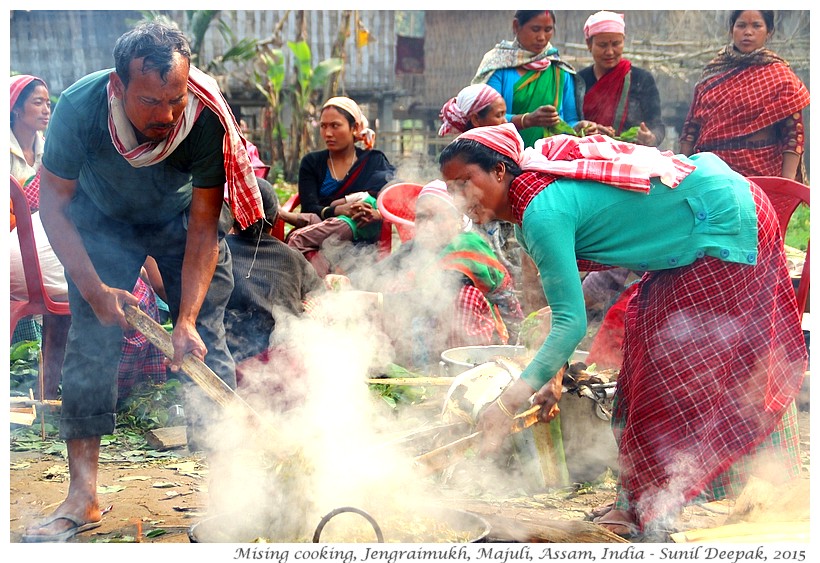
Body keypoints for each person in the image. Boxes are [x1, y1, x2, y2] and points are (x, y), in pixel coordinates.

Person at [439, 123, 806, 538]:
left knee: (672, 373)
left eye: (466, 181)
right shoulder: (530, 210)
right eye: (450, 188)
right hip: (709, 213)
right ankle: (636, 502)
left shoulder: (542, 210)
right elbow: (561, 307)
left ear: (500, 172)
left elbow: (571, 323)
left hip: (723, 218)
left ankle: (659, 508)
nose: (460, 198)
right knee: (643, 352)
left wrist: (505, 406)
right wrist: (551, 376)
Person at [22, 18, 263, 542]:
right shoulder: (80, 109)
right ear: (118, 86)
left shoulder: (202, 116)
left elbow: (203, 229)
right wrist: (93, 289)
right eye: (151, 102)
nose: (168, 114)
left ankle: (228, 497)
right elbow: (55, 210)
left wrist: (187, 320)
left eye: (175, 98)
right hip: (100, 217)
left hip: (178, 224)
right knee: (91, 348)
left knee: (205, 349)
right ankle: (82, 498)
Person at [364, 180, 523, 369]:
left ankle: (461, 370)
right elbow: (375, 274)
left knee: (462, 299)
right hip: (435, 333)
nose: (428, 225)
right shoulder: (417, 246)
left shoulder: (467, 246)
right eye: (422, 218)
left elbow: (435, 297)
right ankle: (408, 363)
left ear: (457, 220)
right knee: (393, 284)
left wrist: (377, 300)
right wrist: (346, 282)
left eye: (438, 217)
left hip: (498, 343)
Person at [680, 10, 810, 180]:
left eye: (756, 26)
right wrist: (682, 174)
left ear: (768, 32)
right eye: (741, 25)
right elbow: (692, 127)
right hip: (712, 173)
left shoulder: (780, 76)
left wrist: (786, 184)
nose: (748, 32)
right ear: (731, 30)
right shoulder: (712, 74)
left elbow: (793, 134)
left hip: (762, 173)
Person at [279, 96, 396, 277]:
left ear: (355, 127)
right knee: (304, 250)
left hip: (360, 240)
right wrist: (339, 210)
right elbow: (310, 207)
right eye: (323, 126)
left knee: (354, 264)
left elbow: (391, 199)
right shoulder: (312, 162)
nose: (328, 133)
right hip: (319, 234)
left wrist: (378, 214)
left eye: (335, 125)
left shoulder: (373, 161)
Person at [223, 177, 323, 364]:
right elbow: (321, 297)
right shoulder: (293, 257)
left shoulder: (218, 252)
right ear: (276, 219)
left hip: (231, 364)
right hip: (284, 365)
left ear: (231, 215)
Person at [472, 10, 590, 148]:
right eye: (535, 29)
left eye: (548, 30)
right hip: (504, 155)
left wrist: (580, 127)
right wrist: (526, 120)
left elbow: (570, 120)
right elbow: (486, 118)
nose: (541, 37)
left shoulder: (560, 70)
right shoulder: (498, 68)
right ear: (516, 26)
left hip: (550, 160)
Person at [577, 11, 664, 146]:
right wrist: (583, 129)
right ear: (589, 44)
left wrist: (650, 137)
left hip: (631, 157)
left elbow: (657, 125)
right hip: (587, 155)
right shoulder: (579, 81)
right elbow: (570, 123)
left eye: (616, 44)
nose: (610, 52)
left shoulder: (642, 79)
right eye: (602, 45)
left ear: (624, 42)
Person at [438, 83, 507, 136]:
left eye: (504, 115)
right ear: (476, 119)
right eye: (498, 115)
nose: (505, 122)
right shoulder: (470, 153)